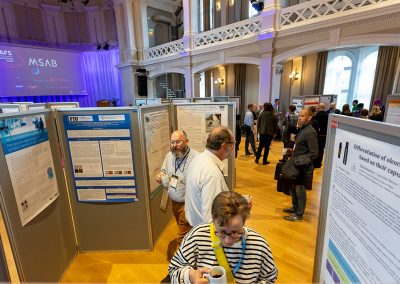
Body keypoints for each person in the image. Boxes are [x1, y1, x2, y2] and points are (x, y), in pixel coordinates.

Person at [169, 191, 278, 284]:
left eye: (235, 232)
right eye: (221, 232)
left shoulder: (259, 245)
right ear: (213, 218)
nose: (228, 240)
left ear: (244, 222)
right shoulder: (197, 236)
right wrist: (190, 276)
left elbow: (269, 277)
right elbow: (174, 270)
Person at [156, 130, 199, 262]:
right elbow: (163, 171)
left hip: (188, 202)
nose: (175, 145)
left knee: (181, 233)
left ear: (186, 141)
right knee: (185, 229)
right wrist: (160, 176)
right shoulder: (170, 156)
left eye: (178, 142)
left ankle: (181, 263)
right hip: (174, 200)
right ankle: (193, 251)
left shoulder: (196, 158)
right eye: (173, 142)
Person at [185, 126, 234, 227]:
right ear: (224, 146)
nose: (233, 147)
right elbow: (211, 218)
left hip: (195, 226)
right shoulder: (212, 174)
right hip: (207, 235)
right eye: (233, 143)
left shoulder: (198, 159)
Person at [283, 108, 318, 221]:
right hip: (296, 165)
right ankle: (295, 207)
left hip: (302, 167)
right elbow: (301, 147)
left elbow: (314, 153)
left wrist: (298, 160)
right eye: (299, 115)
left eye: (303, 116)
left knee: (300, 191)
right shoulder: (303, 129)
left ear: (309, 118)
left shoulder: (310, 132)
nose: (299, 118)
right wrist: (292, 151)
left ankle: (299, 214)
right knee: (293, 188)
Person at [314, 103, 328, 168]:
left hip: (318, 135)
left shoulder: (317, 115)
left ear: (319, 107)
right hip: (324, 135)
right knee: (321, 149)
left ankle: (315, 162)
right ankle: (319, 163)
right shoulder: (327, 115)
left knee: (316, 148)